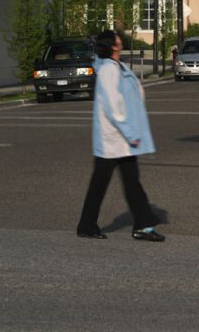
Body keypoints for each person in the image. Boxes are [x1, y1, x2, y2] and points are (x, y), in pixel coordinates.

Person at [76, 28, 164, 242]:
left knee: (130, 182)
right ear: (113, 45)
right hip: (113, 139)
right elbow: (113, 107)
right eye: (117, 37)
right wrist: (130, 132)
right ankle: (137, 225)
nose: (120, 38)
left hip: (121, 140)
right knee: (105, 184)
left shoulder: (117, 66)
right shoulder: (108, 70)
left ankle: (140, 224)